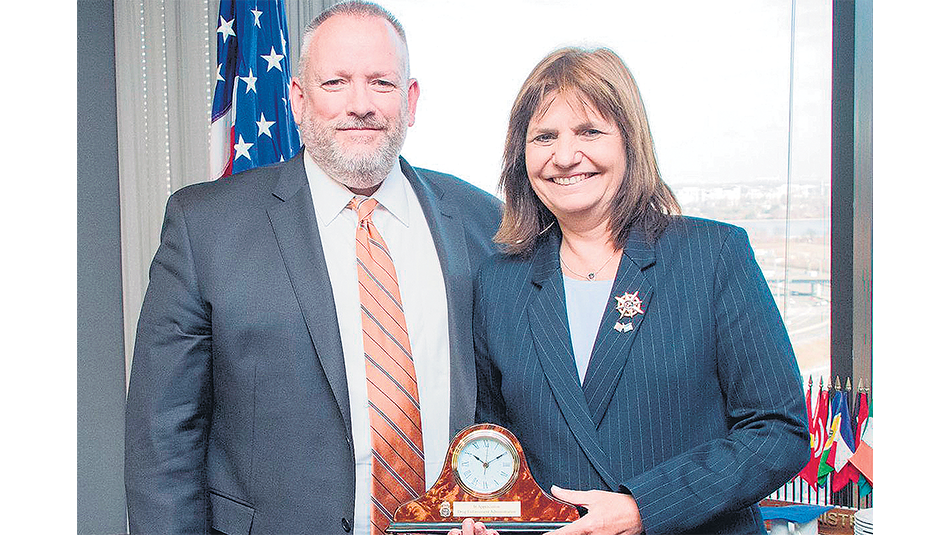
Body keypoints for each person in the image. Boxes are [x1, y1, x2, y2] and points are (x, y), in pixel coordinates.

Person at [124, 2, 501, 534]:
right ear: (298, 100)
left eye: (381, 83)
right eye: (336, 82)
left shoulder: (483, 222)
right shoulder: (205, 228)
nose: (360, 104)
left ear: (411, 100)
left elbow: (514, 402)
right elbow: (163, 439)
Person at [465, 47, 809, 535]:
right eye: (544, 136)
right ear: (522, 157)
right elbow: (493, 447)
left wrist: (643, 508)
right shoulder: (500, 282)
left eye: (589, 131)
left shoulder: (712, 256)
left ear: (630, 141)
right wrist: (485, 515)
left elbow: (780, 431)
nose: (565, 156)